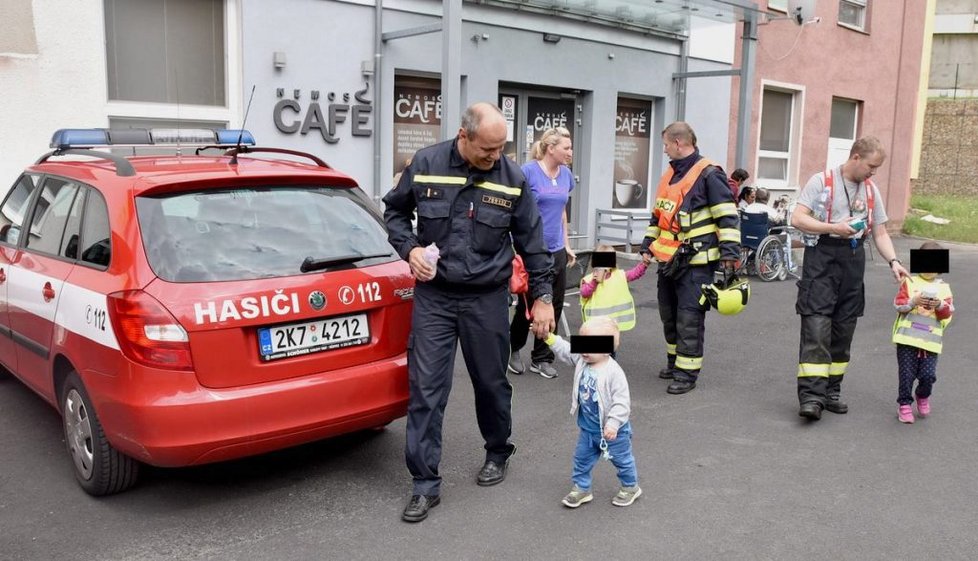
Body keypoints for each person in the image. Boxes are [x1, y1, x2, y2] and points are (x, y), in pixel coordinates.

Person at [383, 102, 556, 522]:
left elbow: (533, 243)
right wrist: (411, 250)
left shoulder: (512, 178)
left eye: (501, 149)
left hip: (486, 299)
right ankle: (425, 484)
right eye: (487, 149)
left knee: (492, 384)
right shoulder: (425, 163)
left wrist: (544, 298)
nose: (494, 157)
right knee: (426, 389)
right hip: (435, 298)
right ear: (464, 136)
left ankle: (498, 451)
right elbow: (394, 212)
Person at [790, 135, 909, 421]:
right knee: (817, 327)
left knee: (844, 330)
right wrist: (833, 227)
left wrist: (894, 261)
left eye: (877, 168)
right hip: (822, 257)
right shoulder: (822, 181)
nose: (873, 172)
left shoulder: (870, 190)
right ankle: (811, 397)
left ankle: (831, 392)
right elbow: (797, 218)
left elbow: (879, 232)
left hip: (853, 261)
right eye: (871, 166)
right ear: (856, 157)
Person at [639, 121, 740, 395]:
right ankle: (674, 363)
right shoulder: (670, 174)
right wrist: (648, 243)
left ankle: (687, 374)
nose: (665, 150)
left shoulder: (709, 174)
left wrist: (730, 254)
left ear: (679, 143)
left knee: (689, 317)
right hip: (669, 261)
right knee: (668, 315)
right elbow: (658, 216)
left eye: (666, 145)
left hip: (696, 264)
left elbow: (727, 216)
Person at [544, 317, 641, 508]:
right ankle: (582, 488)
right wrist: (549, 338)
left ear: (606, 349)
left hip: (614, 432)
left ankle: (630, 486)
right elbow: (565, 350)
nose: (584, 349)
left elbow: (622, 403)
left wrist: (613, 424)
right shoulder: (582, 359)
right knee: (581, 459)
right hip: (588, 429)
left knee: (622, 460)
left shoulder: (614, 372)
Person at [508, 127, 577, 379]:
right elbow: (516, 211)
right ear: (551, 148)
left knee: (554, 307)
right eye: (566, 148)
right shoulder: (528, 172)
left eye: (570, 148)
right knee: (529, 308)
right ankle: (513, 348)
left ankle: (542, 357)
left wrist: (567, 244)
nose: (570, 152)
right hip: (531, 251)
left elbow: (562, 211)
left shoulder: (566, 175)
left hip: (556, 250)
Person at [891, 241, 954, 424]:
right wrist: (913, 302)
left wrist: (940, 305)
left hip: (930, 342)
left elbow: (947, 315)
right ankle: (904, 404)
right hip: (907, 339)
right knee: (906, 375)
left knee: (928, 376)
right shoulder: (909, 283)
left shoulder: (944, 288)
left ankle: (922, 395)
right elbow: (898, 306)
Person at [579, 244, 648, 348]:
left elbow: (635, 273)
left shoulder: (619, 275)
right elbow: (584, 293)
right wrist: (595, 282)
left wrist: (644, 264)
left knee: (609, 352)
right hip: (594, 327)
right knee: (593, 352)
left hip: (610, 327)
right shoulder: (589, 279)